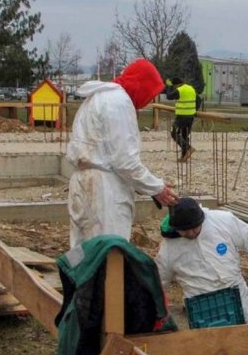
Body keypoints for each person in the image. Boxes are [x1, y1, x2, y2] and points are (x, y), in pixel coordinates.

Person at [66, 58, 178, 248]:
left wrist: (147, 186)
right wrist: (157, 188)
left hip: (82, 182)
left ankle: (75, 277)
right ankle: (106, 279)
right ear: (141, 85)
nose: (148, 100)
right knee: (110, 250)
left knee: (81, 246)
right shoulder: (119, 102)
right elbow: (124, 161)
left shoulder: (97, 98)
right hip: (105, 190)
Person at [155, 197, 248, 325]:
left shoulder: (223, 221)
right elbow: (159, 283)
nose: (191, 233)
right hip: (204, 311)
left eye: (194, 228)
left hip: (238, 298)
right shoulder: (168, 249)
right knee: (213, 344)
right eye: (184, 231)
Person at [164, 76, 200, 162]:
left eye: (174, 86)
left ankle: (188, 148)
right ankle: (184, 157)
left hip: (182, 117)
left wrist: (169, 86)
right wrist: (194, 110)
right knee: (184, 135)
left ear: (177, 85)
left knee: (174, 133)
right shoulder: (191, 88)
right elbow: (199, 100)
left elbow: (169, 96)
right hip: (190, 117)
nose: (175, 88)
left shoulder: (180, 90)